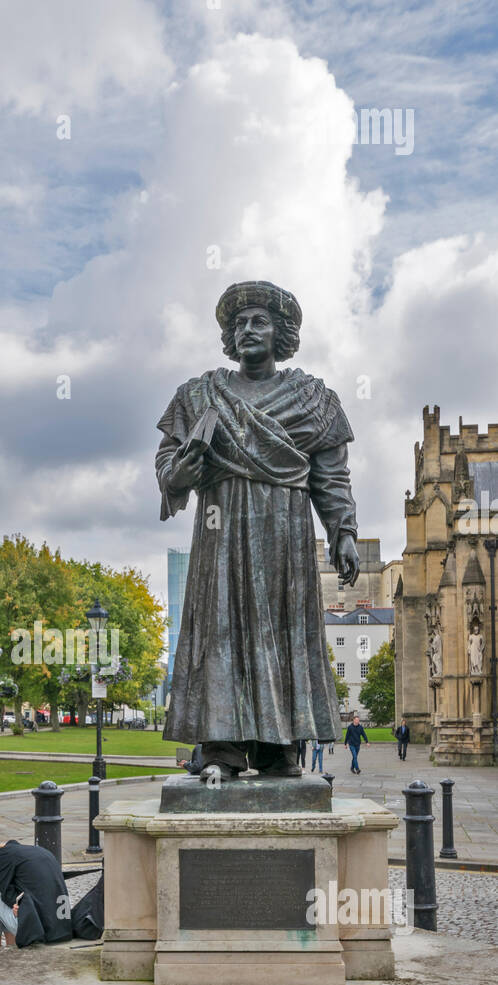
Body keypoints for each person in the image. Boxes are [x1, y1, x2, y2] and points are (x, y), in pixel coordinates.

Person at [156, 281, 359, 782]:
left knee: (285, 632)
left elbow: (331, 477)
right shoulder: (200, 395)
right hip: (220, 534)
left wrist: (343, 531)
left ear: (281, 332)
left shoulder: (314, 400)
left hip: (286, 537)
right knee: (220, 629)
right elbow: (166, 469)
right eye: (238, 323)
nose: (247, 330)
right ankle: (221, 750)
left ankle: (279, 748)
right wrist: (186, 464)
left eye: (259, 321)